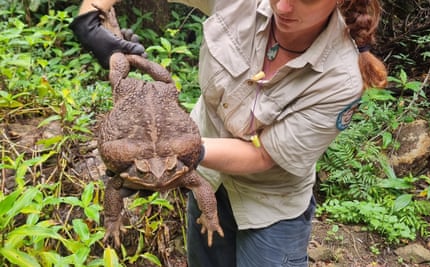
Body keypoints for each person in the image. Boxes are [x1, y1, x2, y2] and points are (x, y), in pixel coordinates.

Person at [70, 0, 387, 266]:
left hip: (268, 205)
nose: (283, 5)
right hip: (206, 179)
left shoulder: (342, 79)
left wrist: (171, 153)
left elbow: (264, 155)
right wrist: (90, 18)